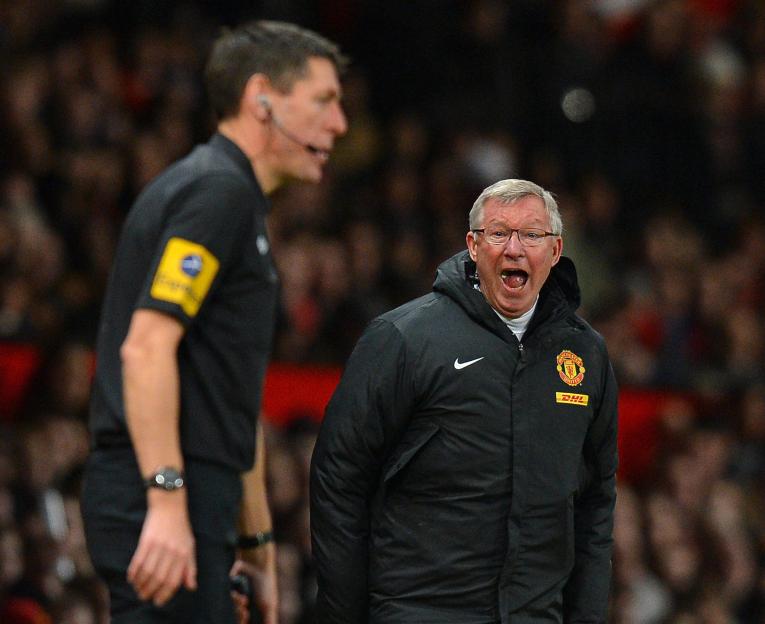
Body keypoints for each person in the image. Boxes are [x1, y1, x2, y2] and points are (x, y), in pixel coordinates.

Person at [81, 20, 347, 624]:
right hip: (160, 495)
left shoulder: (229, 197)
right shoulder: (217, 194)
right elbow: (146, 349)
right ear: (261, 98)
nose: (340, 124)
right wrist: (168, 502)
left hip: (193, 502)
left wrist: (253, 545)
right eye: (324, 101)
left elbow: (231, 398)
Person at [310, 179, 618, 623]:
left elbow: (596, 502)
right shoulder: (403, 339)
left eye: (532, 235)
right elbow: (338, 479)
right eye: (498, 233)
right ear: (473, 246)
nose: (514, 248)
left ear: (555, 251)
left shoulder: (587, 355)